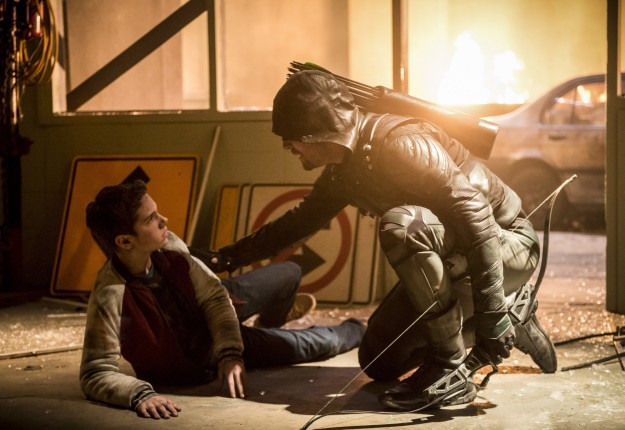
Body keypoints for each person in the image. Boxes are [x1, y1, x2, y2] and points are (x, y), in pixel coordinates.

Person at [200, 69, 558, 411]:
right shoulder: (343, 172)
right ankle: (513, 312)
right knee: (378, 360)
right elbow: (296, 224)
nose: (286, 145)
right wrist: (224, 259)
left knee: (402, 226)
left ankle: (449, 365)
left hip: (507, 244)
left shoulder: (400, 144)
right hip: (457, 258)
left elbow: (476, 215)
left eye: (290, 136)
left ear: (316, 131)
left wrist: (492, 313)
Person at [80, 180, 365, 419]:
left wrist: (231, 352)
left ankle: (271, 324)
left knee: (290, 271)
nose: (163, 220)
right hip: (205, 355)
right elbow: (95, 372)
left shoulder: (169, 245)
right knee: (317, 343)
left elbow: (215, 298)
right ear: (125, 241)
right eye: (151, 219)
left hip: (218, 317)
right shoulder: (110, 294)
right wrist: (138, 394)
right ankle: (362, 328)